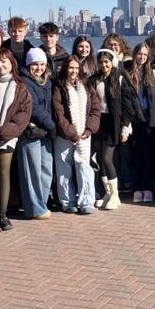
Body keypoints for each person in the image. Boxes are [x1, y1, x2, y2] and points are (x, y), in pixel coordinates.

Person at [0, 49, 33, 232]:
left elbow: (23, 115)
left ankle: (3, 215)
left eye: (4, 62)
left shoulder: (21, 86)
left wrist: (4, 133)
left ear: (12, 63)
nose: (0, 65)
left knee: (4, 175)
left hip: (7, 138)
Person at [52, 55, 101, 214]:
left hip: (84, 135)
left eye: (76, 68)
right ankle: (68, 201)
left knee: (84, 167)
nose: (73, 71)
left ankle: (87, 201)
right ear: (65, 69)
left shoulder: (86, 86)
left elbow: (95, 109)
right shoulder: (59, 87)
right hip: (64, 135)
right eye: (70, 67)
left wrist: (88, 130)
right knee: (64, 168)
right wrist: (72, 133)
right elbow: (59, 114)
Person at [88, 48, 134, 210]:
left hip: (113, 123)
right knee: (100, 159)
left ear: (112, 62)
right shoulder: (93, 80)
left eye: (106, 62)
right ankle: (107, 193)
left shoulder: (119, 79)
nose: (103, 65)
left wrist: (126, 128)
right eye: (101, 62)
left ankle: (115, 195)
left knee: (107, 159)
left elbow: (128, 107)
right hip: (98, 122)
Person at [17, 48, 56, 220]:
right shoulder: (24, 81)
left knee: (46, 170)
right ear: (28, 65)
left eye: (41, 64)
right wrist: (53, 126)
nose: (38, 68)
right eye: (35, 64)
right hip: (31, 132)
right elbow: (35, 109)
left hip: (46, 131)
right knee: (31, 172)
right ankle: (34, 208)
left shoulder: (46, 81)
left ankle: (42, 203)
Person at [126, 43, 155, 203]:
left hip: (149, 118)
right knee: (135, 155)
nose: (142, 57)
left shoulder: (152, 72)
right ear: (134, 54)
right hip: (134, 118)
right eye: (139, 54)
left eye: (145, 55)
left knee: (149, 155)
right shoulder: (127, 72)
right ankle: (136, 187)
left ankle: (148, 187)